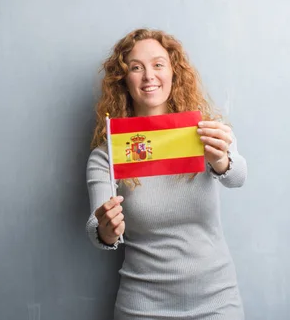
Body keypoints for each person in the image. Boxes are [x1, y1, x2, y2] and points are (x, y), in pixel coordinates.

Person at [85, 28, 248, 320]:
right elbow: (96, 228)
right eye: (136, 67)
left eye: (158, 64)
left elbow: (238, 177)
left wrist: (222, 160)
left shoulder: (206, 133)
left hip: (217, 302)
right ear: (124, 79)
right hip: (142, 307)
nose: (149, 76)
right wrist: (106, 230)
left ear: (174, 72)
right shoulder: (108, 154)